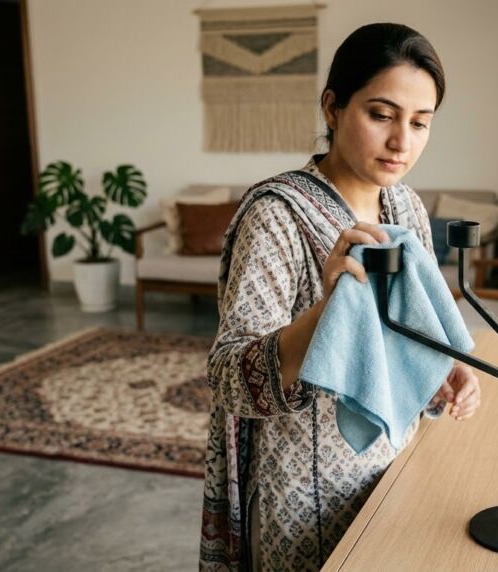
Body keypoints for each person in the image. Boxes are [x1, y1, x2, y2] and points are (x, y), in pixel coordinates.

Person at [199, 23, 482, 571]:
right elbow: (230, 379)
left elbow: (412, 333)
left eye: (420, 123)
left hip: (395, 466)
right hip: (304, 497)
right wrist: (331, 307)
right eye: (381, 115)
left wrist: (445, 368)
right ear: (333, 107)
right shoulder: (275, 217)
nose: (402, 142)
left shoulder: (406, 209)